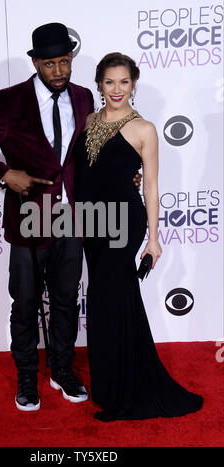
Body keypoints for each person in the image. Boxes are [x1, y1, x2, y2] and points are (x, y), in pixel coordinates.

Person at [0, 22, 142, 412]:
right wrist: (5, 173)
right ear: (35, 62)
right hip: (28, 216)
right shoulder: (8, 101)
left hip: (72, 217)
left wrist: (124, 173)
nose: (58, 71)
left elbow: (88, 153)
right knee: (24, 303)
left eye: (64, 62)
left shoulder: (81, 98)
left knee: (65, 300)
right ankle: (27, 376)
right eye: (49, 64)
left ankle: (61, 368)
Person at [74, 52, 203, 421]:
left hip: (124, 225)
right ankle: (111, 385)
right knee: (102, 302)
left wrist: (154, 239)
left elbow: (151, 187)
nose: (117, 89)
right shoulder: (87, 120)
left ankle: (127, 393)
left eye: (124, 82)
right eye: (110, 81)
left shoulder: (144, 128)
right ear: (99, 83)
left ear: (134, 84)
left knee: (113, 298)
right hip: (93, 224)